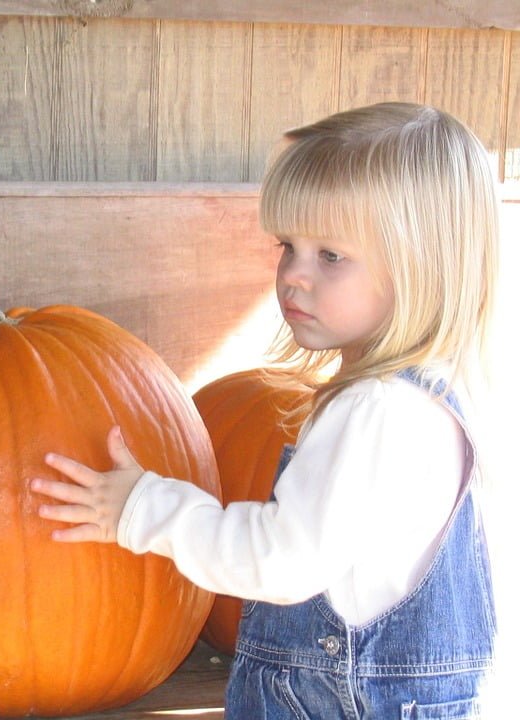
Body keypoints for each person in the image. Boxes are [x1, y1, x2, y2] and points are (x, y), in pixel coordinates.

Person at [29, 102, 500, 718]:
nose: (293, 277)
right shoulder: (442, 393)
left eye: (330, 256)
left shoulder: (375, 410)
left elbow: (281, 561)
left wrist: (144, 507)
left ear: (420, 267)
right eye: (288, 246)